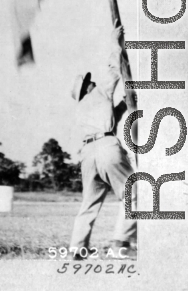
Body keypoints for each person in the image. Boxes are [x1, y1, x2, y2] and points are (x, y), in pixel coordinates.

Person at [69, 25, 137, 259]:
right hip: (106, 147)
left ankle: (77, 249)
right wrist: (115, 42)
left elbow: (109, 118)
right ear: (86, 88)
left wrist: (123, 104)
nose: (92, 81)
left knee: (89, 203)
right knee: (134, 191)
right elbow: (114, 70)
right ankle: (121, 242)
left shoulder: (82, 109)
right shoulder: (97, 94)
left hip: (88, 153)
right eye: (88, 81)